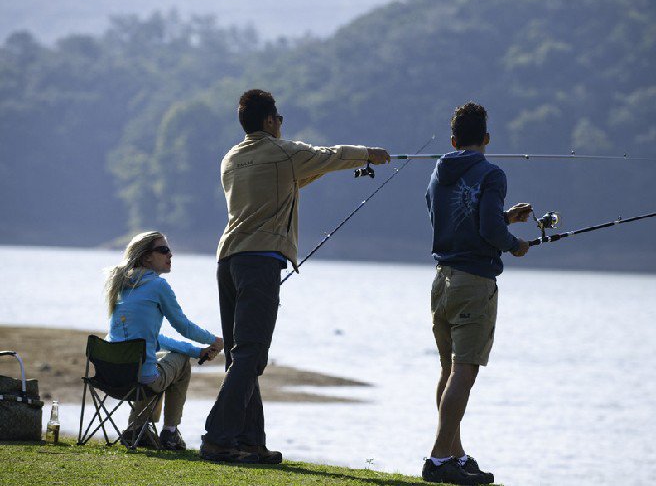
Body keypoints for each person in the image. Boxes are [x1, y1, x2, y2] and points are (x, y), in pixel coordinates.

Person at [200, 89, 390, 463]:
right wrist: (368, 154)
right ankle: (218, 438)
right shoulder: (282, 153)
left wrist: (337, 165)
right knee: (251, 354)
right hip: (260, 261)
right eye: (280, 119)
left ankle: (249, 441)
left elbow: (297, 177)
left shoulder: (231, 159)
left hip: (228, 261)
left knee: (242, 355)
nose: (282, 125)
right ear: (270, 121)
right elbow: (328, 155)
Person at [422, 102, 532, 485]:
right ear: (486, 138)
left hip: (442, 279)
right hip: (474, 282)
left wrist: (503, 219)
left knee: (449, 371)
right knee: (464, 372)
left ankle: (454, 454)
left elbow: (452, 219)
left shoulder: (438, 172)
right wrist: (514, 242)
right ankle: (438, 460)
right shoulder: (492, 174)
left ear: (453, 140)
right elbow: (487, 230)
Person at [105, 231, 224, 450]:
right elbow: (184, 326)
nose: (170, 254)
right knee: (178, 364)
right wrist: (214, 340)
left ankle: (137, 428)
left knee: (155, 361)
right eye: (163, 250)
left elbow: (153, 338)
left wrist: (197, 351)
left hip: (110, 376)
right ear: (146, 257)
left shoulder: (122, 285)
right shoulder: (158, 286)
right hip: (140, 378)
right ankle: (169, 433)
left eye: (169, 249)